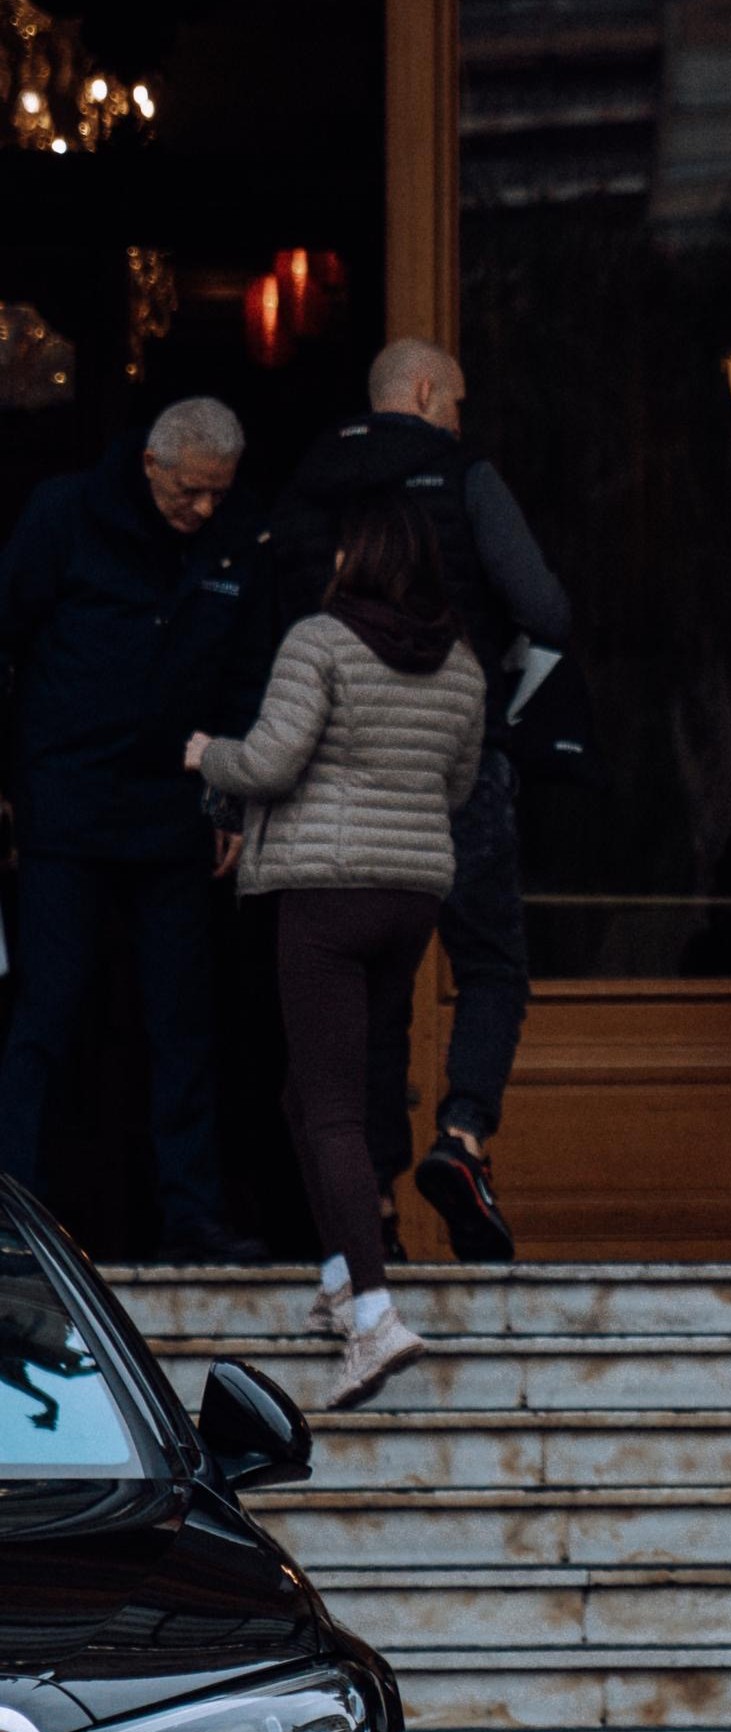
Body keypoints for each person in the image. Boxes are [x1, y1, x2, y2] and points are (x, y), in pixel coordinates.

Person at [270, 336, 570, 1263]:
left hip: (331, 785)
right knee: (489, 967)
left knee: (363, 1000)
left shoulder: (307, 483)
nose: (460, 418)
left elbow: (261, 626)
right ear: (429, 391)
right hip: (454, 762)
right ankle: (463, 1137)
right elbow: (547, 610)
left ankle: (379, 1217)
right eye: (458, 401)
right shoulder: (462, 473)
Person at [191, 497, 486, 1410]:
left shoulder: (318, 642)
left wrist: (208, 754)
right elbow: (461, 782)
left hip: (324, 891)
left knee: (327, 1111)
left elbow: (272, 764)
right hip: (409, 896)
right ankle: (336, 1273)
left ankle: (375, 1317)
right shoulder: (463, 665)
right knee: (323, 1094)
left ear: (358, 555)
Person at [0, 398, 277, 1260]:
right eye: (189, 492)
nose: (201, 511)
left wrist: (230, 798)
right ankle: (14, 1217)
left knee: (182, 1023)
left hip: (173, 812)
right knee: (47, 1012)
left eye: (217, 496)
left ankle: (192, 1218)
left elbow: (244, 675)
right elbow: (4, 638)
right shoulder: (65, 513)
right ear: (153, 463)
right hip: (66, 806)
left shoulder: (233, 541)